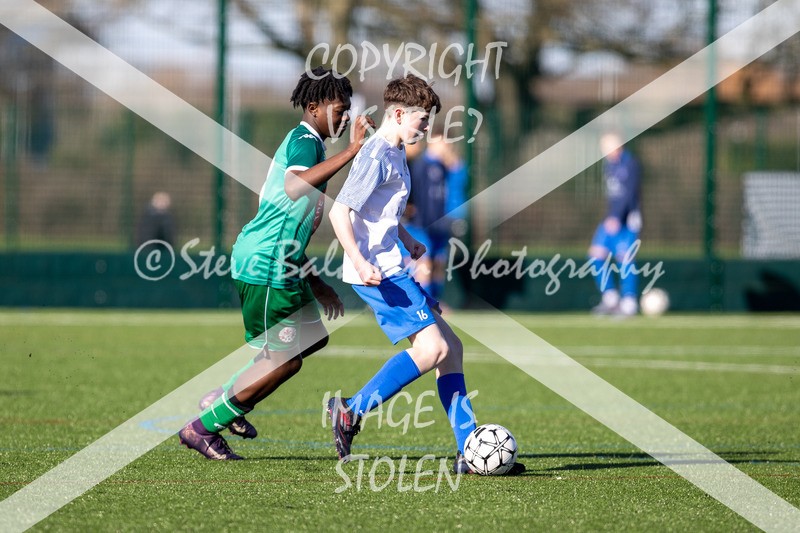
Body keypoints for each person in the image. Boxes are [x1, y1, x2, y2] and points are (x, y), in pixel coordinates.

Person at [326, 74, 524, 475]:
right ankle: (350, 411)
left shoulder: (397, 152)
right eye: (422, 120)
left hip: (392, 265)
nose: (426, 128)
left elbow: (378, 212)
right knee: (432, 349)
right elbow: (339, 213)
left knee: (451, 349)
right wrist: (361, 262)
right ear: (398, 114)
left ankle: (468, 450)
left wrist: (405, 238)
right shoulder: (376, 154)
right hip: (378, 273)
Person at [178, 67, 373, 460]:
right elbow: (294, 186)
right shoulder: (305, 140)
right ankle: (204, 427)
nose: (345, 117)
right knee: (286, 361)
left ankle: (224, 397)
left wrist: (315, 282)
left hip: (282, 261)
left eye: (349, 109)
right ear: (314, 107)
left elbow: (291, 224)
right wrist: (351, 152)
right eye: (339, 109)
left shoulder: (312, 145)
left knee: (313, 337)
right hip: (267, 264)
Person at [588, 132, 642, 316]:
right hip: (610, 218)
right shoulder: (609, 165)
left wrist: (617, 217)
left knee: (625, 259)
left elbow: (629, 194)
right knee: (595, 256)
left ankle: (629, 302)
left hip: (626, 220)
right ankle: (610, 298)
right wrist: (610, 216)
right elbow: (612, 196)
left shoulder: (630, 164)